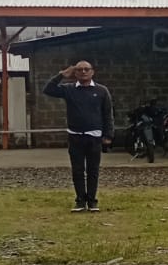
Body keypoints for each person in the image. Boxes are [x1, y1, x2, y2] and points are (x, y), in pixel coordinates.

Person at [42, 59, 114, 213]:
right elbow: (48, 90)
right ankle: (80, 201)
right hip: (75, 137)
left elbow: (107, 114)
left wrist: (108, 135)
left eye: (86, 69)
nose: (83, 72)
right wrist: (60, 75)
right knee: (77, 170)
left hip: (94, 137)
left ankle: (92, 201)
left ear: (92, 72)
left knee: (93, 170)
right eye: (79, 69)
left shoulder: (102, 91)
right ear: (75, 73)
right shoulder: (69, 89)